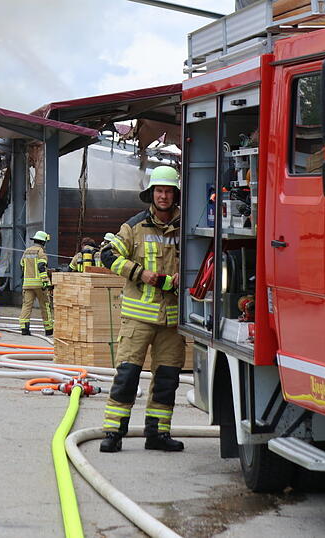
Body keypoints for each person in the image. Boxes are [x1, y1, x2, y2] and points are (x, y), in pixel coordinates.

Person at [99, 165, 185, 453]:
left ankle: (158, 434)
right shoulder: (134, 226)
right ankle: (113, 432)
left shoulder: (187, 227)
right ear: (152, 193)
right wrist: (141, 273)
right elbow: (107, 255)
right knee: (127, 376)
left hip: (172, 321)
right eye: (159, 191)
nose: (163, 196)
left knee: (167, 379)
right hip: (138, 318)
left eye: (168, 191)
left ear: (175, 194)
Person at [19, 230, 53, 336]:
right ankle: (48, 329)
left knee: (26, 306)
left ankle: (24, 329)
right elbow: (41, 267)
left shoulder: (26, 251)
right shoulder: (40, 252)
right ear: (43, 242)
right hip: (39, 285)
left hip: (27, 284)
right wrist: (46, 281)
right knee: (45, 306)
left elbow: (21, 266)